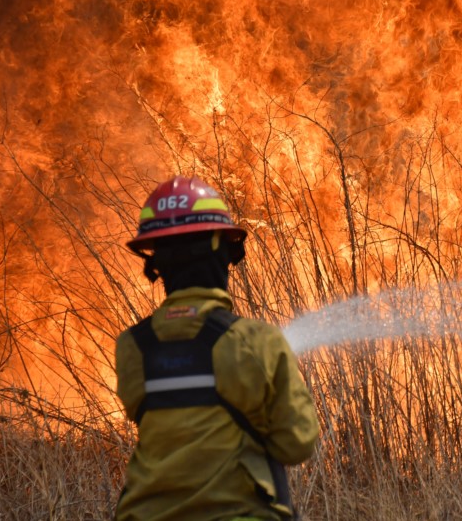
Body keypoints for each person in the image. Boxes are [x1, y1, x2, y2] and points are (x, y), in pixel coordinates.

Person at [114, 176, 319, 521]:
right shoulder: (257, 342)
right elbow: (295, 443)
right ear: (222, 251)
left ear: (157, 263)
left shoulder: (132, 347)